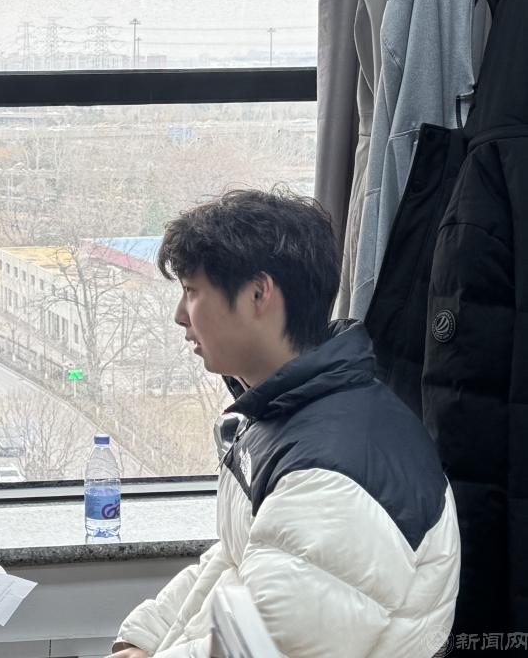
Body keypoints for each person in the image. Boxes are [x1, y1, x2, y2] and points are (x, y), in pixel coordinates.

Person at [112, 189, 459, 658]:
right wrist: (145, 638)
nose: (180, 316)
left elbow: (259, 646)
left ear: (259, 294)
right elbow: (237, 560)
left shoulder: (335, 474)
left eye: (192, 291)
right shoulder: (288, 412)